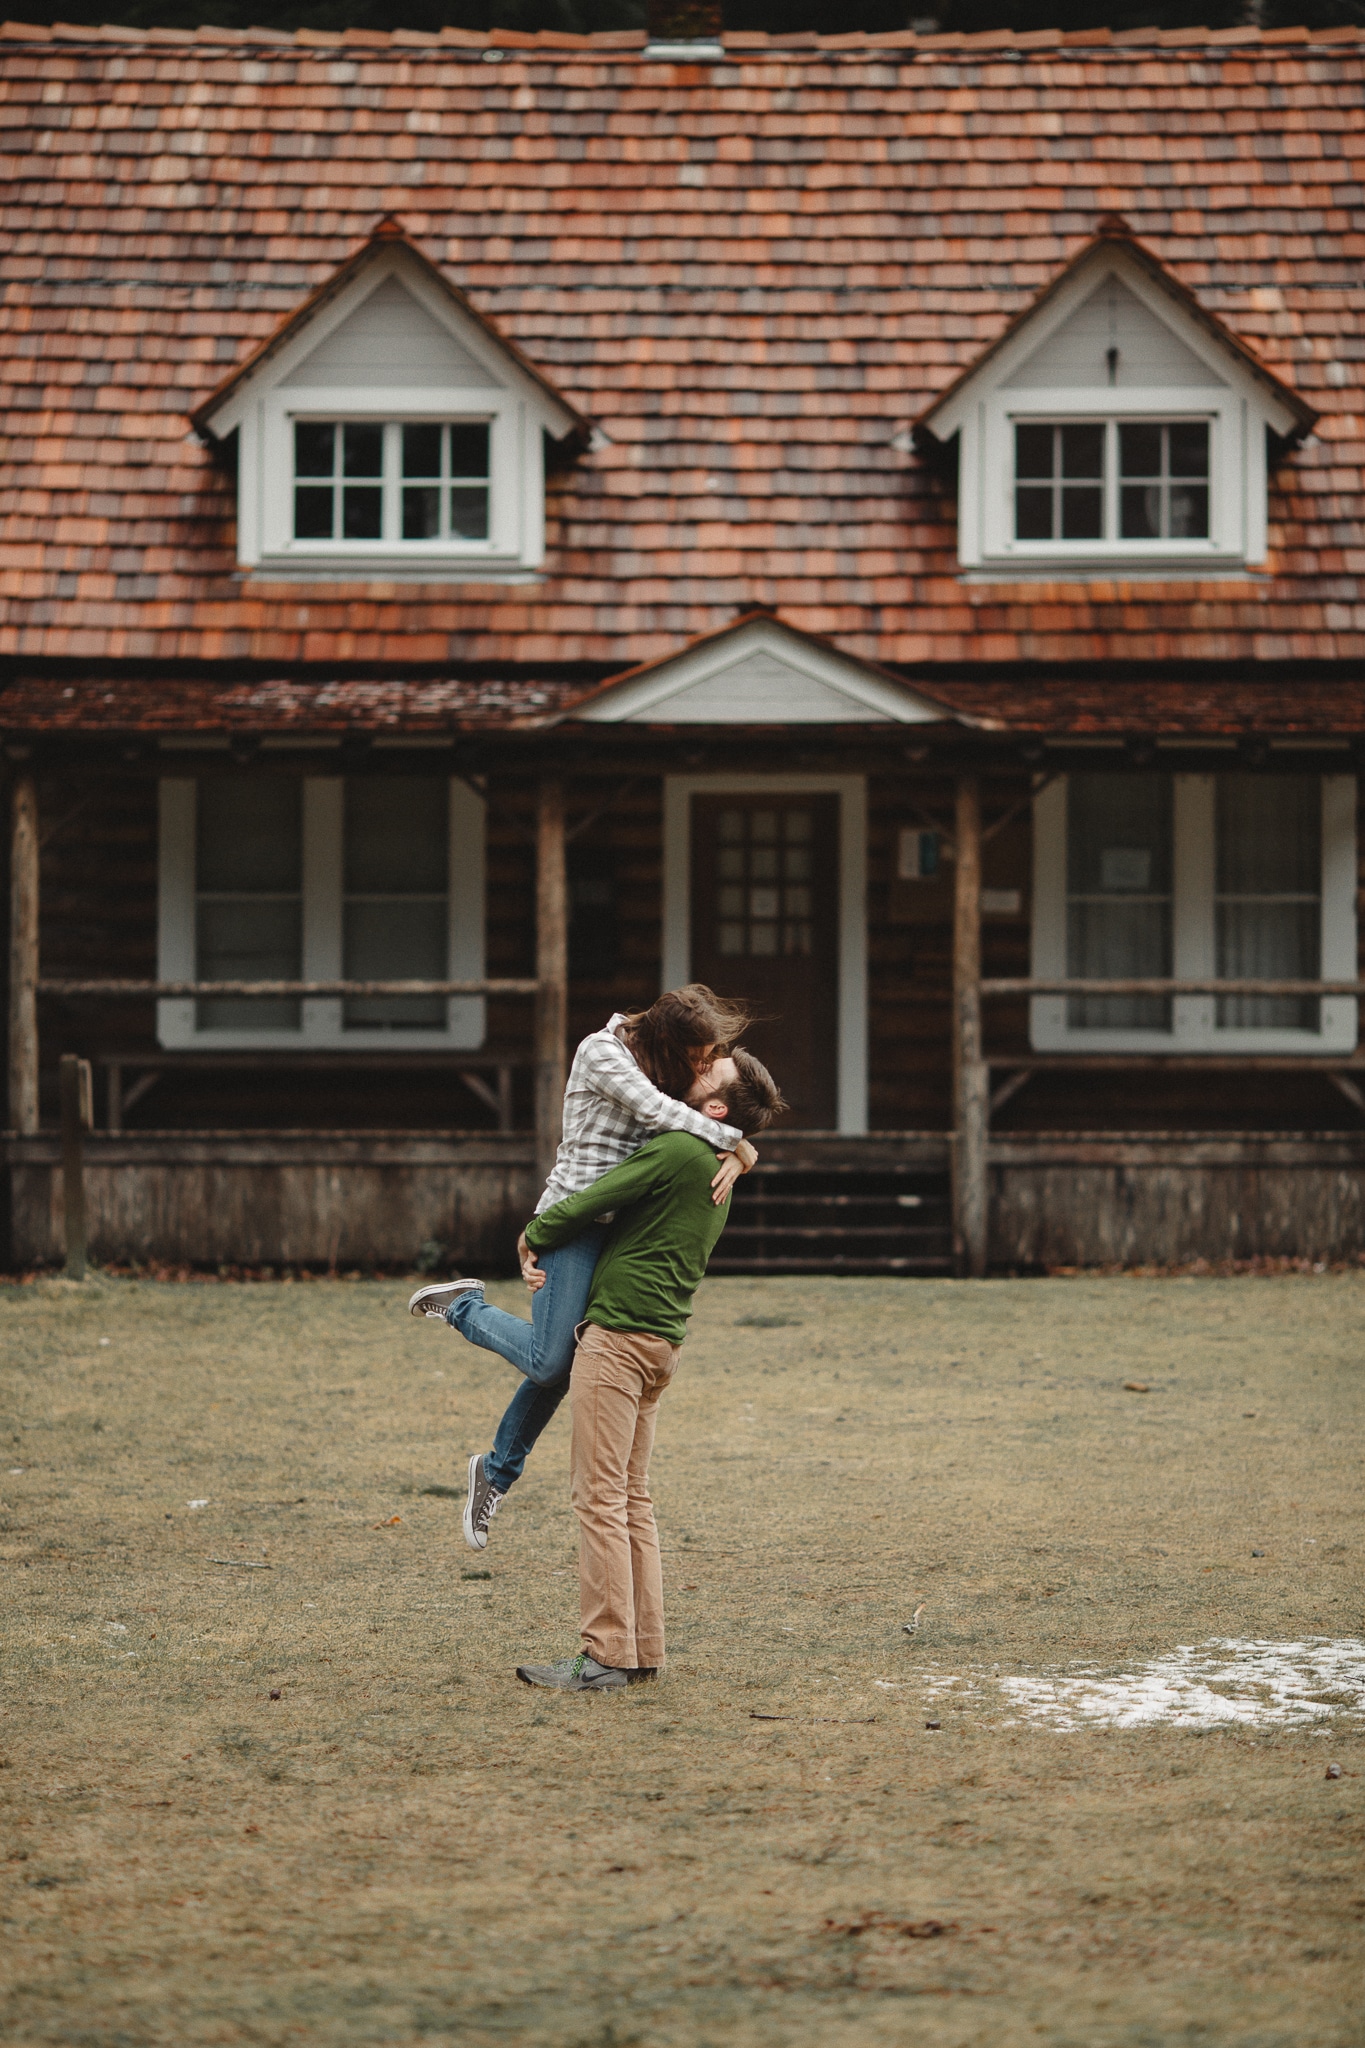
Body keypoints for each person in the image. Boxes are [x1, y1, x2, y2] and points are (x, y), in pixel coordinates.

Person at [407, 986, 758, 1550]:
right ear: (669, 1040)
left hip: (614, 1231)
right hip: (572, 1222)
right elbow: (659, 1114)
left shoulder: (663, 1069)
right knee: (550, 1362)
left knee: (570, 1363)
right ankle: (464, 1306)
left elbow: (691, 1114)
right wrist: (740, 1144)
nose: (699, 1067)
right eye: (696, 1058)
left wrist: (739, 1151)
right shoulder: (603, 1053)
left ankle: (494, 1474)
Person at [514, 1046, 786, 1692]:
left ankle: (604, 1652)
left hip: (616, 1339)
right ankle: (641, 1649)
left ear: (714, 1108)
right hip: (662, 1344)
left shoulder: (674, 1153)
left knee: (598, 1497)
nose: (694, 1073)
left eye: (707, 1076)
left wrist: (533, 1233)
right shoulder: (717, 1165)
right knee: (632, 1498)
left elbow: (592, 1198)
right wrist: (745, 1150)